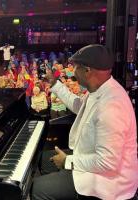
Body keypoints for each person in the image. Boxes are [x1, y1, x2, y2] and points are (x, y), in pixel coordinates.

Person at [31, 44, 138, 200]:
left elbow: (107, 163)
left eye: (75, 67)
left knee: (37, 189)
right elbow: (78, 106)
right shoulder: (100, 89)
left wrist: (68, 161)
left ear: (87, 71)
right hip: (88, 158)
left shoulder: (111, 107)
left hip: (109, 183)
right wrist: (54, 84)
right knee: (41, 160)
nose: (73, 71)